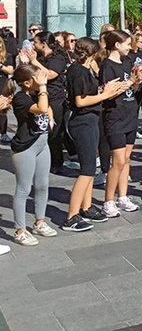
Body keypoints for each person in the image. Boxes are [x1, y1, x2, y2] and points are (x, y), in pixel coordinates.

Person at [63, 38, 127, 231]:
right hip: (82, 121)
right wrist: (105, 94)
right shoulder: (78, 71)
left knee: (90, 166)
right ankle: (71, 216)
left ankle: (87, 206)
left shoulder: (83, 70)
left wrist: (104, 90)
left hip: (90, 120)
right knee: (87, 169)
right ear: (91, 53)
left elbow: (88, 94)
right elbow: (80, 101)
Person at [5, 65, 57, 246]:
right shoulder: (20, 98)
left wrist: (51, 120)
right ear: (27, 83)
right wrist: (42, 87)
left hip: (42, 144)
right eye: (37, 77)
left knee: (42, 185)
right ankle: (20, 231)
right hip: (25, 148)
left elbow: (47, 107)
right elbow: (42, 108)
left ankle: (39, 222)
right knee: (23, 189)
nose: (42, 79)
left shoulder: (35, 93)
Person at [100, 30, 142, 218]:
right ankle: (108, 200)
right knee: (117, 161)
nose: (130, 47)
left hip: (129, 113)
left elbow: (131, 88)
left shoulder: (127, 62)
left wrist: (136, 83)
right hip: (115, 116)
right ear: (117, 45)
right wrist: (130, 82)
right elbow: (109, 93)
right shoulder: (107, 66)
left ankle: (123, 196)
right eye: (127, 43)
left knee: (126, 159)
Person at [25, 31, 70, 174]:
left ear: (44, 44)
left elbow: (50, 74)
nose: (34, 44)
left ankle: (56, 162)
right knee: (39, 128)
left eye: (36, 42)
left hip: (55, 98)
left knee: (54, 131)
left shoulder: (57, 58)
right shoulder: (39, 57)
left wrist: (34, 62)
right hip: (39, 96)